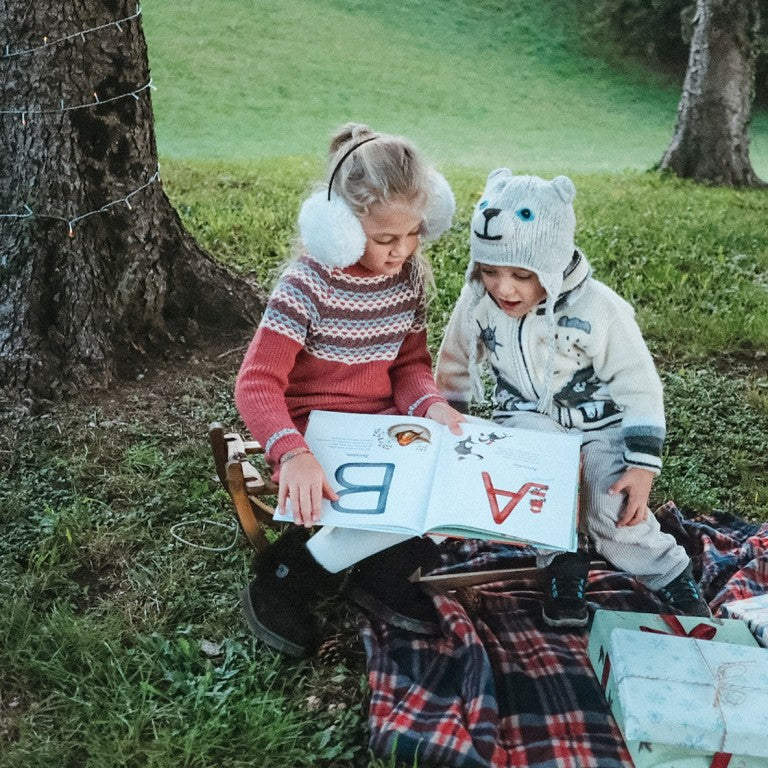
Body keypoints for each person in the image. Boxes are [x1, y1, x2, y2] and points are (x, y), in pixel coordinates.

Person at [435, 169, 711, 628]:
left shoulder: (599, 308)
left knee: (612, 508)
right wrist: (452, 419)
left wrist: (642, 465)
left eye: (522, 275)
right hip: (526, 418)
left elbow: (638, 382)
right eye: (490, 271)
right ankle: (564, 565)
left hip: (602, 426)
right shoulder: (477, 301)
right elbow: (454, 361)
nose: (504, 288)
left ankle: (671, 573)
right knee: (545, 490)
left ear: (551, 264)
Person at [235, 122, 466, 656]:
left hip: (384, 426)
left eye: (413, 234)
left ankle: (376, 570)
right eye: (386, 239)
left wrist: (430, 404)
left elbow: (409, 366)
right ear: (339, 224)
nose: (402, 250)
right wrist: (292, 453)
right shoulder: (306, 287)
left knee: (446, 484)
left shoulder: (406, 280)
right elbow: (256, 383)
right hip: (316, 433)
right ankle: (289, 573)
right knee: (400, 504)